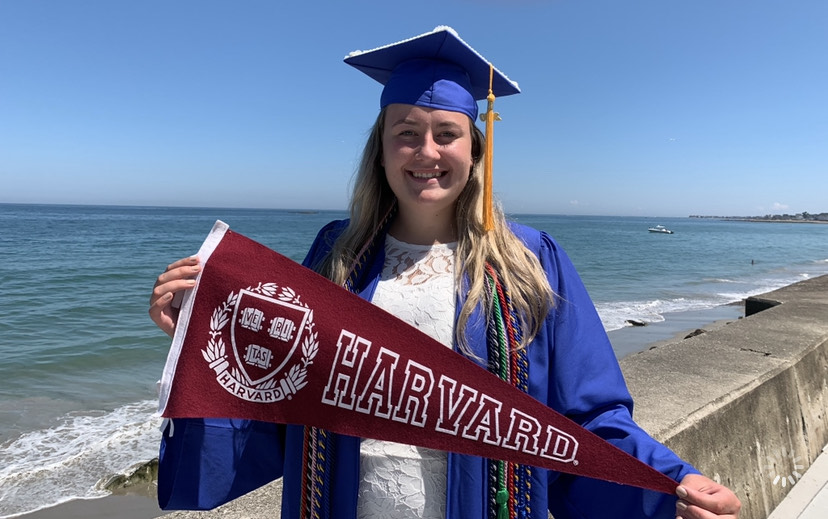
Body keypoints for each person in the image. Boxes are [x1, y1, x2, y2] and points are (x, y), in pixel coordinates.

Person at [150, 26, 741, 519]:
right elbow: (279, 386)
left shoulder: (529, 261)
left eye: (446, 134)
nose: (426, 151)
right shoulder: (335, 253)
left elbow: (586, 416)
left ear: (475, 151)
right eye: (404, 133)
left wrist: (672, 482)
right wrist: (200, 335)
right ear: (380, 151)